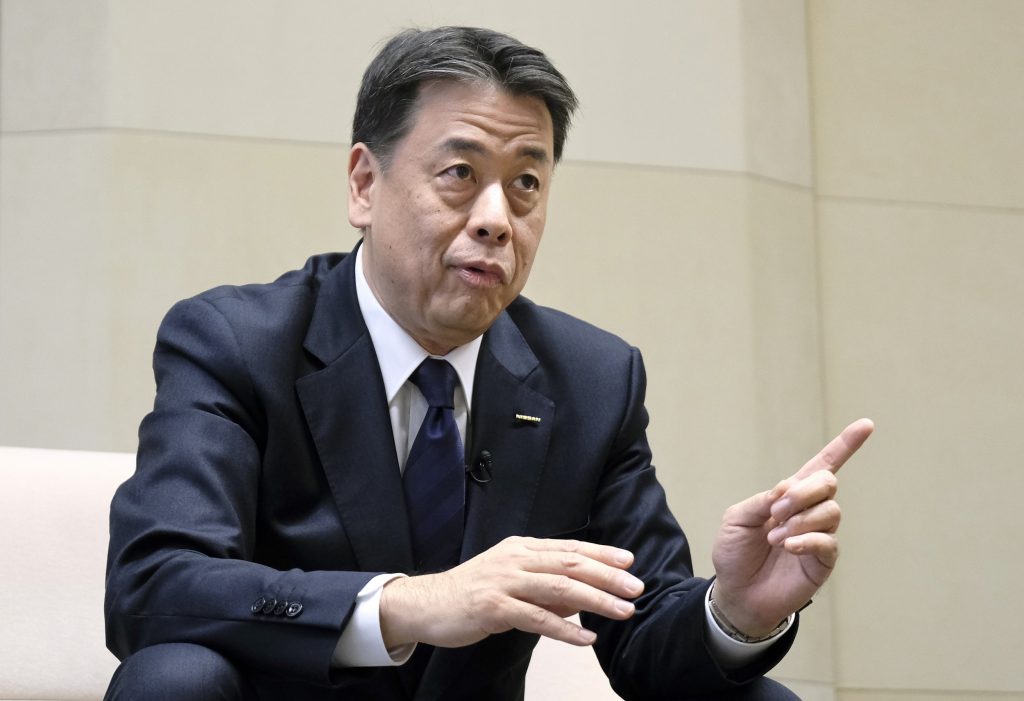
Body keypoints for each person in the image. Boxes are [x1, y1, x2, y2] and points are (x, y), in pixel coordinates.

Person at [103, 26, 873, 701]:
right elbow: (154, 586)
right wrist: (410, 603)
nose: (497, 221)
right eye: (460, 175)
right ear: (365, 184)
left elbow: (644, 645)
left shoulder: (591, 380)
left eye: (526, 185)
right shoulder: (237, 341)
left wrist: (736, 611)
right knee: (172, 677)